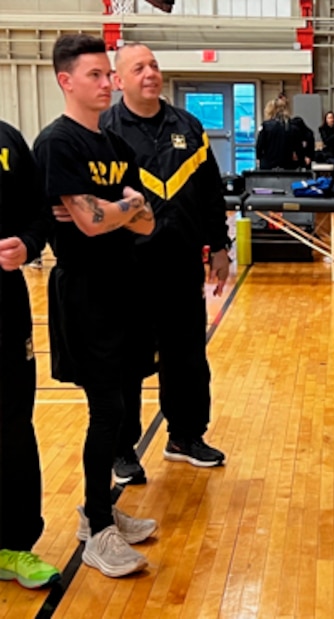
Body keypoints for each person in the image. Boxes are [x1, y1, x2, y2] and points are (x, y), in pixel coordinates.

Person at [32, 33, 158, 578]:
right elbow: (88, 222)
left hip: (125, 286)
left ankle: (102, 506)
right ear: (66, 81)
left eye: (109, 75)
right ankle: (96, 527)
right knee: (105, 411)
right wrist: (120, 208)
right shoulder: (59, 144)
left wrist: (117, 207)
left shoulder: (114, 146)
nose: (107, 83)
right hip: (86, 294)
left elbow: (148, 220)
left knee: (124, 406)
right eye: (95, 75)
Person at [100, 42, 229, 483]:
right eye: (138, 68)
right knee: (128, 362)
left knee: (187, 355)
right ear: (119, 80)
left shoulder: (189, 128)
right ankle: (122, 450)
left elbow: (211, 192)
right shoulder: (103, 130)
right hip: (126, 270)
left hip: (181, 265)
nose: (150, 73)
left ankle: (186, 437)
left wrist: (221, 246)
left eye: (153, 65)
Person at [0, 119, 61, 589]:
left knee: (13, 426)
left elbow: (39, 212)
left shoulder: (7, 139)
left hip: (5, 311)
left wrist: (28, 243)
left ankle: (14, 545)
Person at [256, 98, 297, 170]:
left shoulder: (265, 126)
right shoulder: (291, 127)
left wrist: (259, 157)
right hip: (287, 165)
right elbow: (296, 147)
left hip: (268, 165)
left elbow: (259, 146)